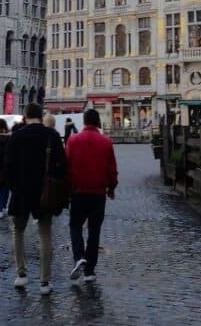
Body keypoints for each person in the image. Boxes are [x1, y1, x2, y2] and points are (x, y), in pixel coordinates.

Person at [5, 103, 67, 296]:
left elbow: (8, 168)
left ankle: (21, 274)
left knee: (18, 231)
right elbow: (63, 166)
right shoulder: (52, 135)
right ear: (41, 116)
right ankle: (44, 281)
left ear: (25, 117)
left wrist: (15, 187)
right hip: (44, 193)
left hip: (21, 192)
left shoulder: (16, 136)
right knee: (45, 233)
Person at [66, 108, 118, 283]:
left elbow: (67, 166)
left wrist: (67, 189)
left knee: (75, 225)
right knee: (94, 231)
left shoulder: (73, 140)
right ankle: (89, 270)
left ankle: (79, 255)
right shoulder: (106, 142)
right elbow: (112, 168)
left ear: (84, 122)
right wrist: (111, 187)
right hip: (98, 194)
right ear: (98, 123)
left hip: (78, 192)